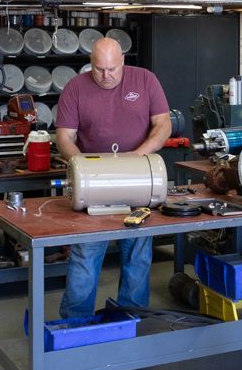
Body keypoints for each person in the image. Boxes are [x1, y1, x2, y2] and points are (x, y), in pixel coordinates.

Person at [55, 37, 172, 319]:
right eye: (98, 69)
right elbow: (64, 137)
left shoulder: (145, 80)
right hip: (95, 184)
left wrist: (137, 158)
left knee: (138, 255)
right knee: (85, 254)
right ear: (90, 63)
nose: (106, 76)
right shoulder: (75, 88)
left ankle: (131, 317)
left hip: (138, 181)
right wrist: (82, 167)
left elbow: (163, 124)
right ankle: (75, 322)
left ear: (123, 61)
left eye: (112, 69)